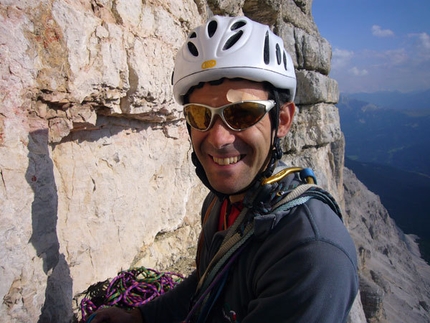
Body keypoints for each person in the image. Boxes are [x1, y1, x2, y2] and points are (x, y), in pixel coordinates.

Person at [89, 15, 358, 323]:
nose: (218, 138)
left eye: (242, 113)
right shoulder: (222, 201)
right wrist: (140, 317)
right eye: (200, 115)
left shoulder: (312, 256)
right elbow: (206, 285)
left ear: (282, 121)